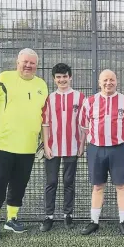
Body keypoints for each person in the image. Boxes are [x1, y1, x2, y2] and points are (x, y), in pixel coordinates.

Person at [0, 48, 49, 241]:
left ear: (36, 66)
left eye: (32, 63)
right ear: (18, 62)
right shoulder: (4, 78)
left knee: (19, 184)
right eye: (25, 62)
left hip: (28, 146)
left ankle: (12, 219)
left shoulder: (42, 85)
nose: (28, 66)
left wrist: (43, 141)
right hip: (3, 144)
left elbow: (44, 116)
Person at [78, 69, 124, 235]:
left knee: (121, 185)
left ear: (117, 81)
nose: (108, 83)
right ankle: (94, 221)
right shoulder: (89, 102)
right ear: (99, 83)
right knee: (98, 186)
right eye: (105, 80)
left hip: (119, 149)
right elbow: (84, 125)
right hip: (96, 149)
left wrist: (118, 137)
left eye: (111, 79)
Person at [39, 63, 86, 232]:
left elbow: (83, 125)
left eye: (65, 76)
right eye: (58, 77)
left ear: (70, 77)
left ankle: (68, 215)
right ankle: (49, 216)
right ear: (54, 79)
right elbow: (45, 124)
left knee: (68, 182)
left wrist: (81, 144)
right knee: (51, 182)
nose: (62, 80)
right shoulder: (49, 98)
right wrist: (46, 146)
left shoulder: (80, 98)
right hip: (53, 147)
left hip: (72, 147)